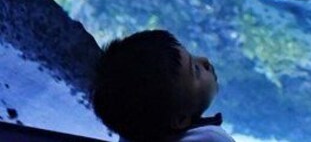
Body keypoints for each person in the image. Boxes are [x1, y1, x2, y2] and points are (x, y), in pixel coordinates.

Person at [91, 29, 235, 142]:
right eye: (196, 70)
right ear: (180, 120)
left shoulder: (134, 130)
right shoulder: (211, 139)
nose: (204, 60)